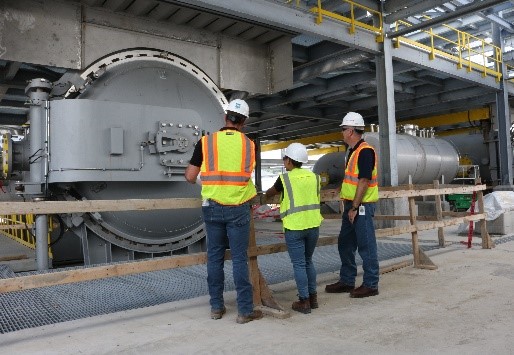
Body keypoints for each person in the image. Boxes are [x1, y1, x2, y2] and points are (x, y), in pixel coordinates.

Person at [185, 99, 263, 324]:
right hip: (238, 208)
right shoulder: (249, 145)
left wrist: (209, 183)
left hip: (212, 208)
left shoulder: (206, 142)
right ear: (245, 122)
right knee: (240, 259)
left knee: (215, 258)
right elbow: (246, 175)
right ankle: (244, 311)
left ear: (225, 117)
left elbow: (190, 177)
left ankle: (216, 307)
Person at [325, 112, 380, 298]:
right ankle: (347, 280)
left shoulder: (364, 151)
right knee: (345, 243)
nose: (341, 133)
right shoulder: (354, 151)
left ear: (350, 131)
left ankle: (371, 284)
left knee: (366, 245)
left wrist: (355, 207)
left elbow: (364, 181)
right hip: (351, 205)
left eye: (343, 129)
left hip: (361, 206)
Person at [265, 143, 323, 314]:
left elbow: (270, 193)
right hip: (313, 225)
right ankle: (313, 298)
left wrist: (263, 196)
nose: (284, 162)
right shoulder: (315, 177)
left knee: (298, 263)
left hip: (294, 226)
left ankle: (303, 301)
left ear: (290, 161)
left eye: (285, 158)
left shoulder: (284, 179)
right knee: (308, 261)